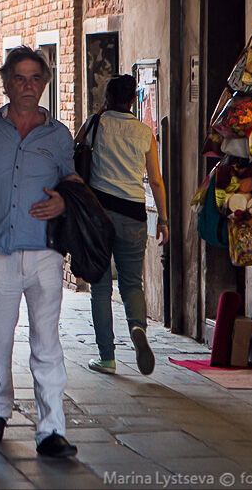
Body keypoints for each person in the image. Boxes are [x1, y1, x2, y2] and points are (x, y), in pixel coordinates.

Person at [0, 46, 80, 459]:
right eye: (20, 78)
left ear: (45, 83)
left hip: (45, 253)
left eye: (36, 78)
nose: (28, 86)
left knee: (46, 342)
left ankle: (52, 430)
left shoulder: (58, 135)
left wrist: (65, 203)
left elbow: (72, 183)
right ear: (6, 81)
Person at [79, 75, 169, 377]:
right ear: (133, 99)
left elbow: (75, 155)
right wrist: (164, 220)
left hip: (100, 214)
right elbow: (155, 180)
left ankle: (107, 356)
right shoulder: (145, 132)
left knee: (100, 287)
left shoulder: (96, 124)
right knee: (132, 283)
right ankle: (138, 328)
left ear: (108, 96)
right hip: (134, 214)